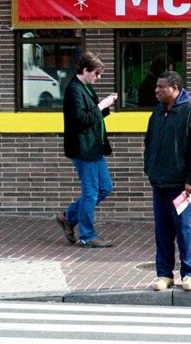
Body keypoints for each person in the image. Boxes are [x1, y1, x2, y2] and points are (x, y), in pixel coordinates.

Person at [143, 71, 191, 292]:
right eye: (156, 86)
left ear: (175, 88)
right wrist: (150, 168)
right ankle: (164, 274)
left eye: (161, 87)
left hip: (182, 186)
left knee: (185, 229)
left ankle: (189, 274)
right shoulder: (157, 113)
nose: (156, 90)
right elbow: (149, 142)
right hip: (160, 182)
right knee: (162, 231)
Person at [55, 51, 118, 248]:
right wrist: (102, 105)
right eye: (96, 73)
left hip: (94, 147)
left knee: (105, 187)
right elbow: (81, 120)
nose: (98, 78)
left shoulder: (85, 87)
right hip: (84, 148)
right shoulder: (74, 90)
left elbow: (91, 116)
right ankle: (87, 235)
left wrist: (104, 106)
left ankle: (68, 216)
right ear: (85, 70)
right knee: (91, 192)